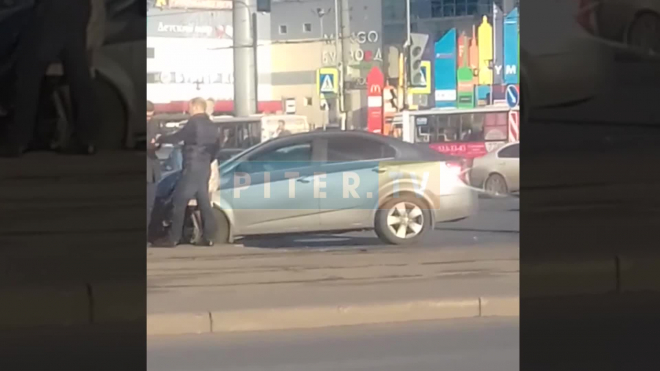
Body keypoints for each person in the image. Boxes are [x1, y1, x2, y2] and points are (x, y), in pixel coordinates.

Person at [0, 0, 105, 157]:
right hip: (78, 9)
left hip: (52, 10)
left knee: (28, 75)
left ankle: (19, 140)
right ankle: (87, 139)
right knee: (78, 73)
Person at [155, 98, 221, 247]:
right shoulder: (212, 125)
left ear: (196, 107)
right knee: (204, 202)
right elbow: (217, 148)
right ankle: (210, 236)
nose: (189, 111)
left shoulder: (194, 122)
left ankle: (173, 238)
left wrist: (161, 139)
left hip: (192, 167)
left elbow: (178, 136)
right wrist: (207, 160)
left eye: (190, 107)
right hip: (204, 168)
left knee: (179, 201)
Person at [146, 101, 161, 246]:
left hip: (152, 171)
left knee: (149, 206)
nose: (149, 118)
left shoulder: (154, 124)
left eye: (151, 115)